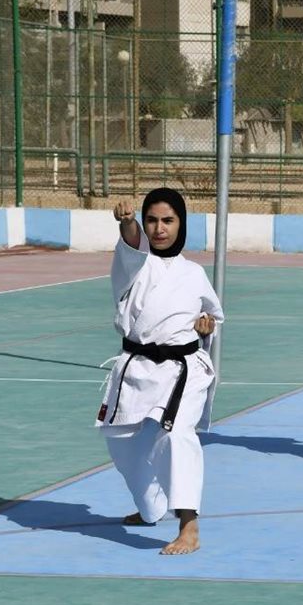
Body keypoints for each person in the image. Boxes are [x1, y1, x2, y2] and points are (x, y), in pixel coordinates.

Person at [97, 188, 224, 555]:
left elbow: (213, 315)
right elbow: (131, 242)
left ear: (181, 224)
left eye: (168, 220)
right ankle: (152, 507)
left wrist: (206, 327)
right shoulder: (133, 263)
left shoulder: (194, 273)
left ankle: (189, 525)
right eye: (151, 220)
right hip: (136, 365)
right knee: (121, 442)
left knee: (176, 436)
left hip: (184, 369)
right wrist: (127, 223)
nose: (159, 228)